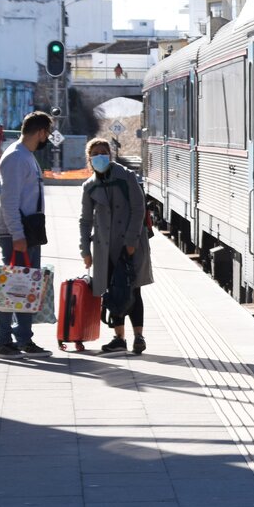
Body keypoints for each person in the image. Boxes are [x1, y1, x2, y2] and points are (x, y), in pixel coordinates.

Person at [79, 137, 153, 354]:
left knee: (133, 289)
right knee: (113, 290)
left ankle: (138, 336)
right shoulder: (89, 186)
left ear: (110, 155)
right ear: (89, 159)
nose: (100, 157)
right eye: (95, 154)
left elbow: (138, 209)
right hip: (105, 247)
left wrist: (130, 242)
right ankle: (119, 338)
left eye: (104, 152)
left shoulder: (126, 176)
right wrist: (85, 250)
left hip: (131, 244)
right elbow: (85, 220)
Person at [0, 111, 54, 358]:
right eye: (47, 134)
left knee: (27, 286)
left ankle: (23, 339)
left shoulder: (26, 156)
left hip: (28, 232)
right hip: (16, 234)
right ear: (40, 132)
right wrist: (17, 234)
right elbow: (9, 200)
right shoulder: (16, 158)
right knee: (11, 287)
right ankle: (3, 341)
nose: (46, 139)